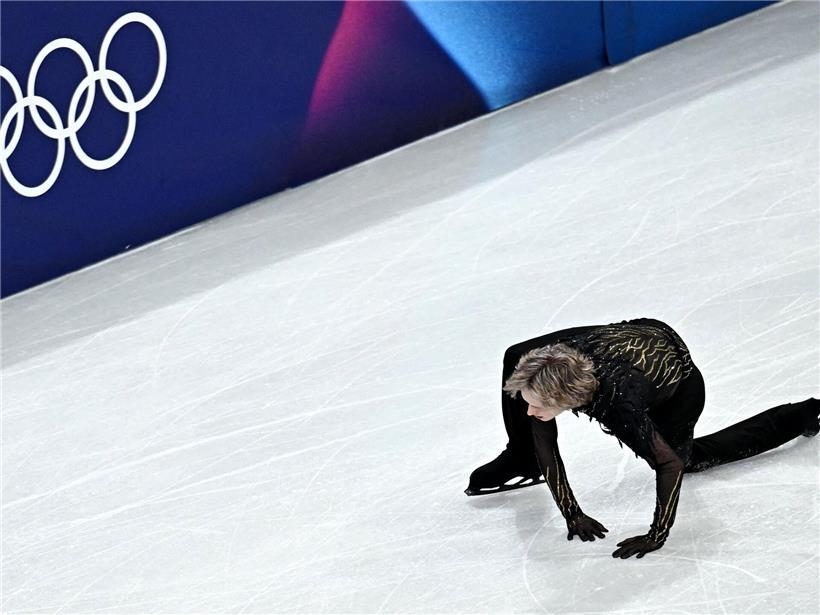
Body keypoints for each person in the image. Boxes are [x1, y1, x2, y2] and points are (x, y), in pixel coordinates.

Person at [465, 317, 819, 559]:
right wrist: (572, 514)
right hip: (628, 340)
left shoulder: (617, 404)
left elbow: (669, 464)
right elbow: (543, 436)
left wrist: (656, 535)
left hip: (678, 382)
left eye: (538, 405)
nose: (529, 411)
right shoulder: (551, 367)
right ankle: (521, 456)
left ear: (567, 399)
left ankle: (799, 415)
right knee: (517, 356)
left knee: (686, 460)